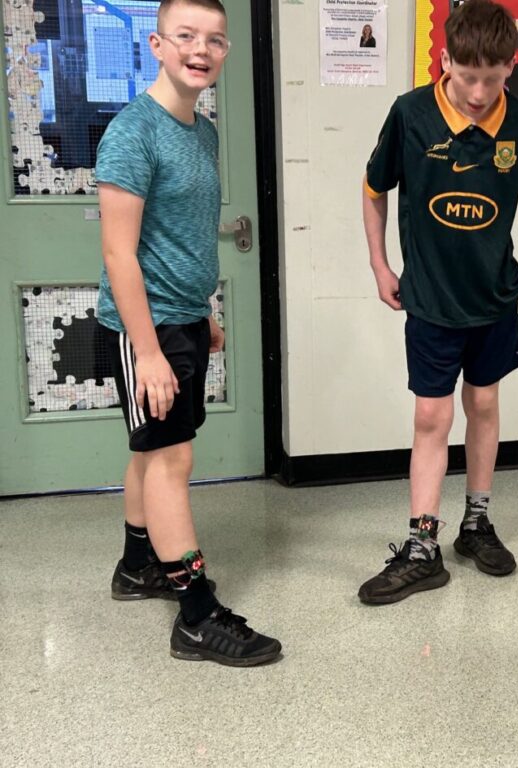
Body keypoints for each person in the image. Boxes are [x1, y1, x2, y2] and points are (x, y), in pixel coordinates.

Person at [99, 0, 281, 666]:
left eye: (214, 40)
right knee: (172, 460)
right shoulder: (132, 133)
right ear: (156, 44)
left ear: (225, 51)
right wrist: (147, 350)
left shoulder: (201, 131)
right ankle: (197, 616)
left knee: (153, 451)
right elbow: (119, 253)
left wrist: (204, 312)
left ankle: (137, 565)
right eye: (185, 36)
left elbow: (185, 234)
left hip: (184, 317)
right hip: (147, 326)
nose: (200, 49)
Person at [358, 0, 518, 605]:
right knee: (430, 418)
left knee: (484, 404)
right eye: (468, 77)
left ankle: (476, 523)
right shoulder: (410, 113)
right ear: (445, 61)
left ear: (510, 67)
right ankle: (422, 545)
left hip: (493, 295)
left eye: (492, 78)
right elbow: (374, 189)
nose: (479, 92)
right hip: (431, 298)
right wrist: (380, 264)